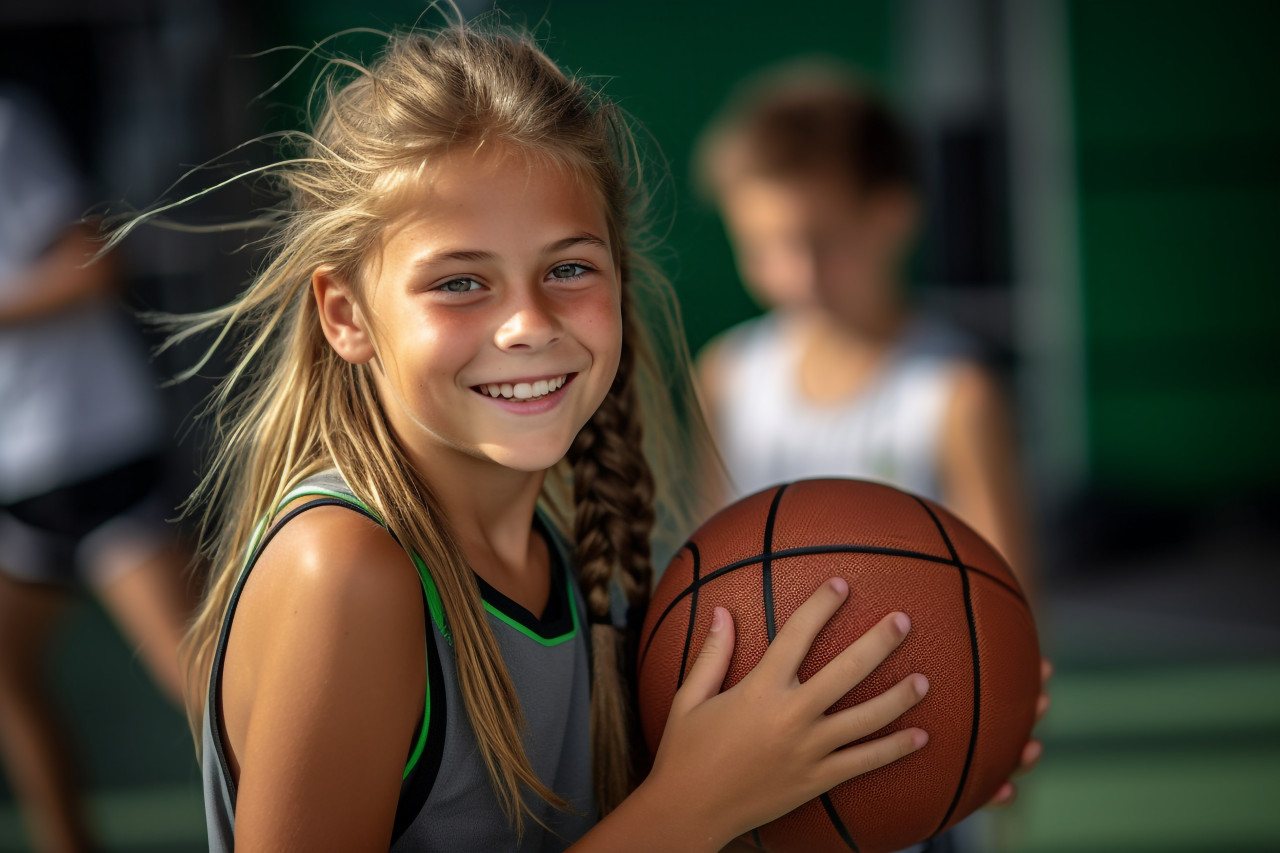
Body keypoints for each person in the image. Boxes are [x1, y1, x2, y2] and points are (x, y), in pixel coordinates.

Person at [124, 19, 1043, 852]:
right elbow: (673, 823)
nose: (526, 322)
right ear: (345, 313)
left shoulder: (570, 570)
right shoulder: (347, 569)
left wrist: (894, 758)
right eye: (459, 282)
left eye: (567, 267)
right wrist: (696, 805)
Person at [694, 60, 1035, 599]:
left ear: (892, 216)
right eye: (763, 247)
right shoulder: (726, 375)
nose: (797, 274)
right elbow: (708, 579)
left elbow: (1008, 603)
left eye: (822, 241)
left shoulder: (956, 395)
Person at [0, 87, 195, 853]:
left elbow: (94, 260)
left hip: (93, 454)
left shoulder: (8, 123)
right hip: (17, 483)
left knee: (205, 686)